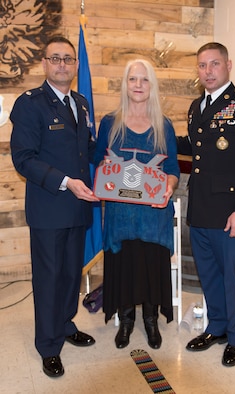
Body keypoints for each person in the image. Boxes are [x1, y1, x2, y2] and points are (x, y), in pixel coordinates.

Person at [177, 42, 235, 367]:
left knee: (234, 278)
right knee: (210, 275)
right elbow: (192, 147)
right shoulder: (195, 107)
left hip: (233, 212)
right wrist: (151, 137)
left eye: (214, 64)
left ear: (228, 65)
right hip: (201, 209)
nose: (207, 71)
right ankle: (216, 327)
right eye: (202, 66)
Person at [10, 36, 99, 378]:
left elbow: (87, 151)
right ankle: (48, 345)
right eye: (55, 58)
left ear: (76, 65)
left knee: (70, 274)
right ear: (44, 64)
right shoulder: (30, 104)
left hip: (78, 209)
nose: (63, 64)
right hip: (49, 208)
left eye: (68, 59)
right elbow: (24, 159)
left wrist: (116, 163)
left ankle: (64, 324)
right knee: (49, 279)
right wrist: (66, 182)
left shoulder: (81, 103)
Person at [95, 59, 180, 350]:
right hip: (121, 216)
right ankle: (127, 319)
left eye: (144, 80)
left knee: (151, 267)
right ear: (125, 84)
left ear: (152, 85)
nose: (139, 85)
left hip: (154, 217)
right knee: (125, 266)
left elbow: (173, 171)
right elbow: (97, 162)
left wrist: (168, 187)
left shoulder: (163, 125)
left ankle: (151, 321)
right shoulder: (109, 123)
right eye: (133, 79)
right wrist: (104, 172)